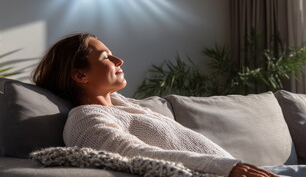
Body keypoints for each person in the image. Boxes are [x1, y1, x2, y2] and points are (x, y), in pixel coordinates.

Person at [32, 33, 279, 177]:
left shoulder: (123, 105)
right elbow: (136, 155)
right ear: (80, 75)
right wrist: (227, 168)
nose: (119, 60)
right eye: (106, 57)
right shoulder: (85, 119)